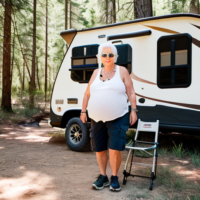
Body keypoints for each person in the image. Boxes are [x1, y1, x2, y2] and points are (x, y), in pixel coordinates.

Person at [80, 42, 137, 192]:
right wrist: (83, 111)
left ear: (115, 56)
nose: (107, 57)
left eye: (110, 55)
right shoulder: (95, 73)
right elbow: (87, 94)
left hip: (118, 116)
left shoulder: (122, 71)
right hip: (96, 118)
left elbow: (131, 92)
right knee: (99, 149)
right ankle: (103, 176)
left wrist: (134, 110)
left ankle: (114, 177)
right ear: (100, 57)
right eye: (104, 55)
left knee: (114, 149)